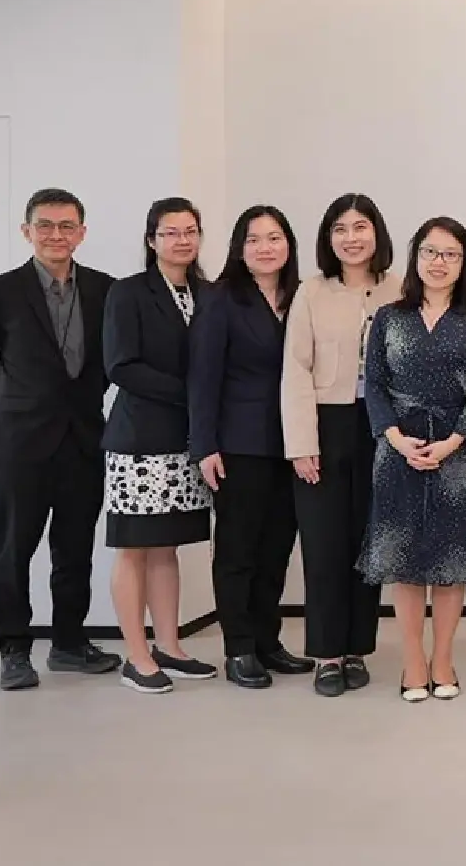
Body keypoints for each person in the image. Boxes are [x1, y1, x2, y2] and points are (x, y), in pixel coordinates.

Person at [0, 188, 121, 691]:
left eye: (67, 226)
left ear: (82, 232)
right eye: (45, 225)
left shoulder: (105, 290)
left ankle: (70, 643)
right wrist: (18, 406)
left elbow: (111, 360)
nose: (57, 235)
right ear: (26, 230)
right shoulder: (0, 291)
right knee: (14, 549)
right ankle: (14, 650)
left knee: (74, 548)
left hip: (83, 439)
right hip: (21, 443)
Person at [360, 217, 466, 703]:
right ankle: (412, 661)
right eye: (431, 252)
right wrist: (395, 439)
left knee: (449, 560)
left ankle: (443, 658)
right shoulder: (389, 316)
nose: (439, 263)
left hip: (454, 453)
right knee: (404, 560)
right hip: (397, 450)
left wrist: (455, 441)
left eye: (451, 254)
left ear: (464, 264)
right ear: (416, 257)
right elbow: (372, 384)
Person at [283, 194, 401, 696]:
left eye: (360, 226)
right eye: (340, 228)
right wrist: (302, 445)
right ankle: (327, 655)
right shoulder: (311, 292)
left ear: (378, 232)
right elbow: (295, 370)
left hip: (383, 428)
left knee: (369, 542)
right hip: (326, 427)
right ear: (328, 239)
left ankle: (357, 648)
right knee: (325, 542)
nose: (351, 237)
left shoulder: (401, 289)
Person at [100, 198, 218, 693]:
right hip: (139, 443)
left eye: (189, 231)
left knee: (165, 547)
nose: (181, 240)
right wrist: (194, 394)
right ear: (152, 240)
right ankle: (136, 654)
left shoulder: (210, 294)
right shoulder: (127, 293)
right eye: (170, 233)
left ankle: (169, 646)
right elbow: (120, 366)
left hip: (185, 443)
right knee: (133, 548)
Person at [190, 206, 309, 689]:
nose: (266, 247)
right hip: (238, 446)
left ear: (288, 245)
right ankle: (238, 648)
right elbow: (202, 376)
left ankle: (267, 640)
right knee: (238, 551)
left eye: (275, 237)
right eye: (255, 239)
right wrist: (205, 445)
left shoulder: (300, 297)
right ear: (241, 248)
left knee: (277, 548)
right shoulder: (222, 299)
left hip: (293, 444)